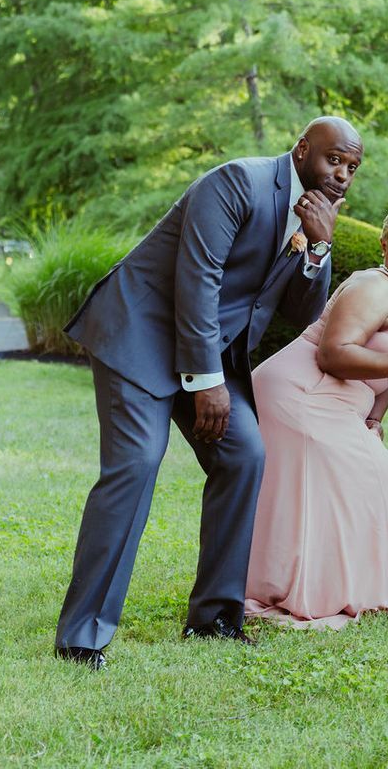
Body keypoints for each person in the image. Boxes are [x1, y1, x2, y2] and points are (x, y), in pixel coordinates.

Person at [54, 118, 361, 668]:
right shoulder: (237, 182)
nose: (341, 175)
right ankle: (82, 636)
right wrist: (206, 383)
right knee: (138, 464)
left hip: (207, 357)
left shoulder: (313, 216)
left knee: (244, 455)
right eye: (333, 160)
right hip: (140, 338)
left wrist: (318, 248)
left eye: (352, 167)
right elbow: (199, 279)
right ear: (301, 151)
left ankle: (215, 618)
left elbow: (300, 313)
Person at [243, 205, 388, 628]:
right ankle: (306, 589)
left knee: (379, 477)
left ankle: (349, 585)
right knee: (362, 478)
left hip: (339, 405)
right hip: (299, 394)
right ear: (384, 245)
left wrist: (373, 420)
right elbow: (333, 355)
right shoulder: (372, 287)